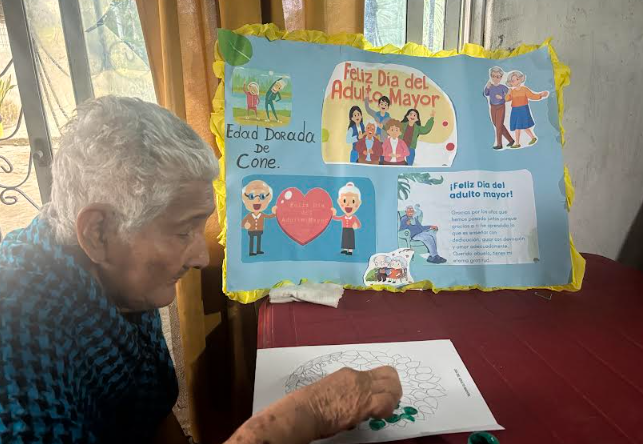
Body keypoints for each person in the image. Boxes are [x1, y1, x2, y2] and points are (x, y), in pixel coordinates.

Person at [0, 96, 402, 444]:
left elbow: (149, 415)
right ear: (98, 232)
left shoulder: (121, 279)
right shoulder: (15, 341)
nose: (201, 259)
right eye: (183, 232)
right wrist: (304, 416)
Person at [505, 70, 549, 148]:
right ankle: (524, 141)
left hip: (523, 109)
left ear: (521, 79)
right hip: (515, 110)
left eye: (517, 79)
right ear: (511, 83)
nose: (516, 82)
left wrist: (540, 95)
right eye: (513, 81)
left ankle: (524, 141)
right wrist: (508, 93)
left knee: (523, 126)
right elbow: (507, 99)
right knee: (518, 127)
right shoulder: (512, 91)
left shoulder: (524, 89)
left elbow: (532, 96)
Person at [241, 180, 277, 256]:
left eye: (262, 196)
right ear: (244, 198)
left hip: (259, 230)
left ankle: (258, 250)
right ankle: (251, 251)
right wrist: (245, 225)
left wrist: (274, 213)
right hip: (251, 231)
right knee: (251, 240)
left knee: (258, 240)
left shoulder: (262, 214)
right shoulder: (249, 216)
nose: (257, 200)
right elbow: (242, 223)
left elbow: (269, 216)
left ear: (269, 198)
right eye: (251, 196)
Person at [483, 66, 515, 150]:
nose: (495, 78)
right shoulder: (491, 86)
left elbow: (510, 94)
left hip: (501, 107)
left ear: (501, 77)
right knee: (496, 124)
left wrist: (502, 97)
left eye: (497, 77)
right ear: (491, 76)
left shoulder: (502, 87)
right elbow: (486, 93)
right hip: (493, 107)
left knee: (498, 125)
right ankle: (511, 140)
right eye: (493, 76)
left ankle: (499, 144)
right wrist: (487, 87)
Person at [331, 182, 362, 255]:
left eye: (353, 201)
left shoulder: (354, 217)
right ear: (339, 202)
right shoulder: (343, 217)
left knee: (350, 240)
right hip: (344, 229)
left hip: (351, 230)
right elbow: (337, 218)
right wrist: (333, 214)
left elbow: (359, 224)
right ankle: (345, 249)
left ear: (358, 203)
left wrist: (356, 226)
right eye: (344, 201)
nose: (348, 204)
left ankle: (350, 251)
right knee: (345, 239)